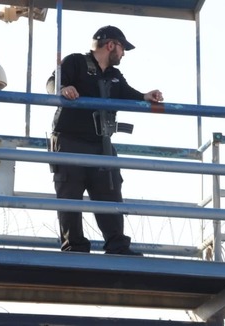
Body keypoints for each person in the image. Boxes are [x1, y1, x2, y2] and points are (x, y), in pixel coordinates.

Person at [46, 25, 163, 256]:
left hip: (101, 144)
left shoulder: (114, 76)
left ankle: (117, 247)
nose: (123, 54)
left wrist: (144, 97)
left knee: (109, 191)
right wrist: (63, 88)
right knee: (70, 195)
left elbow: (128, 93)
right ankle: (74, 248)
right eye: (122, 48)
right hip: (70, 141)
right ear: (111, 45)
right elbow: (52, 82)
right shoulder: (76, 62)